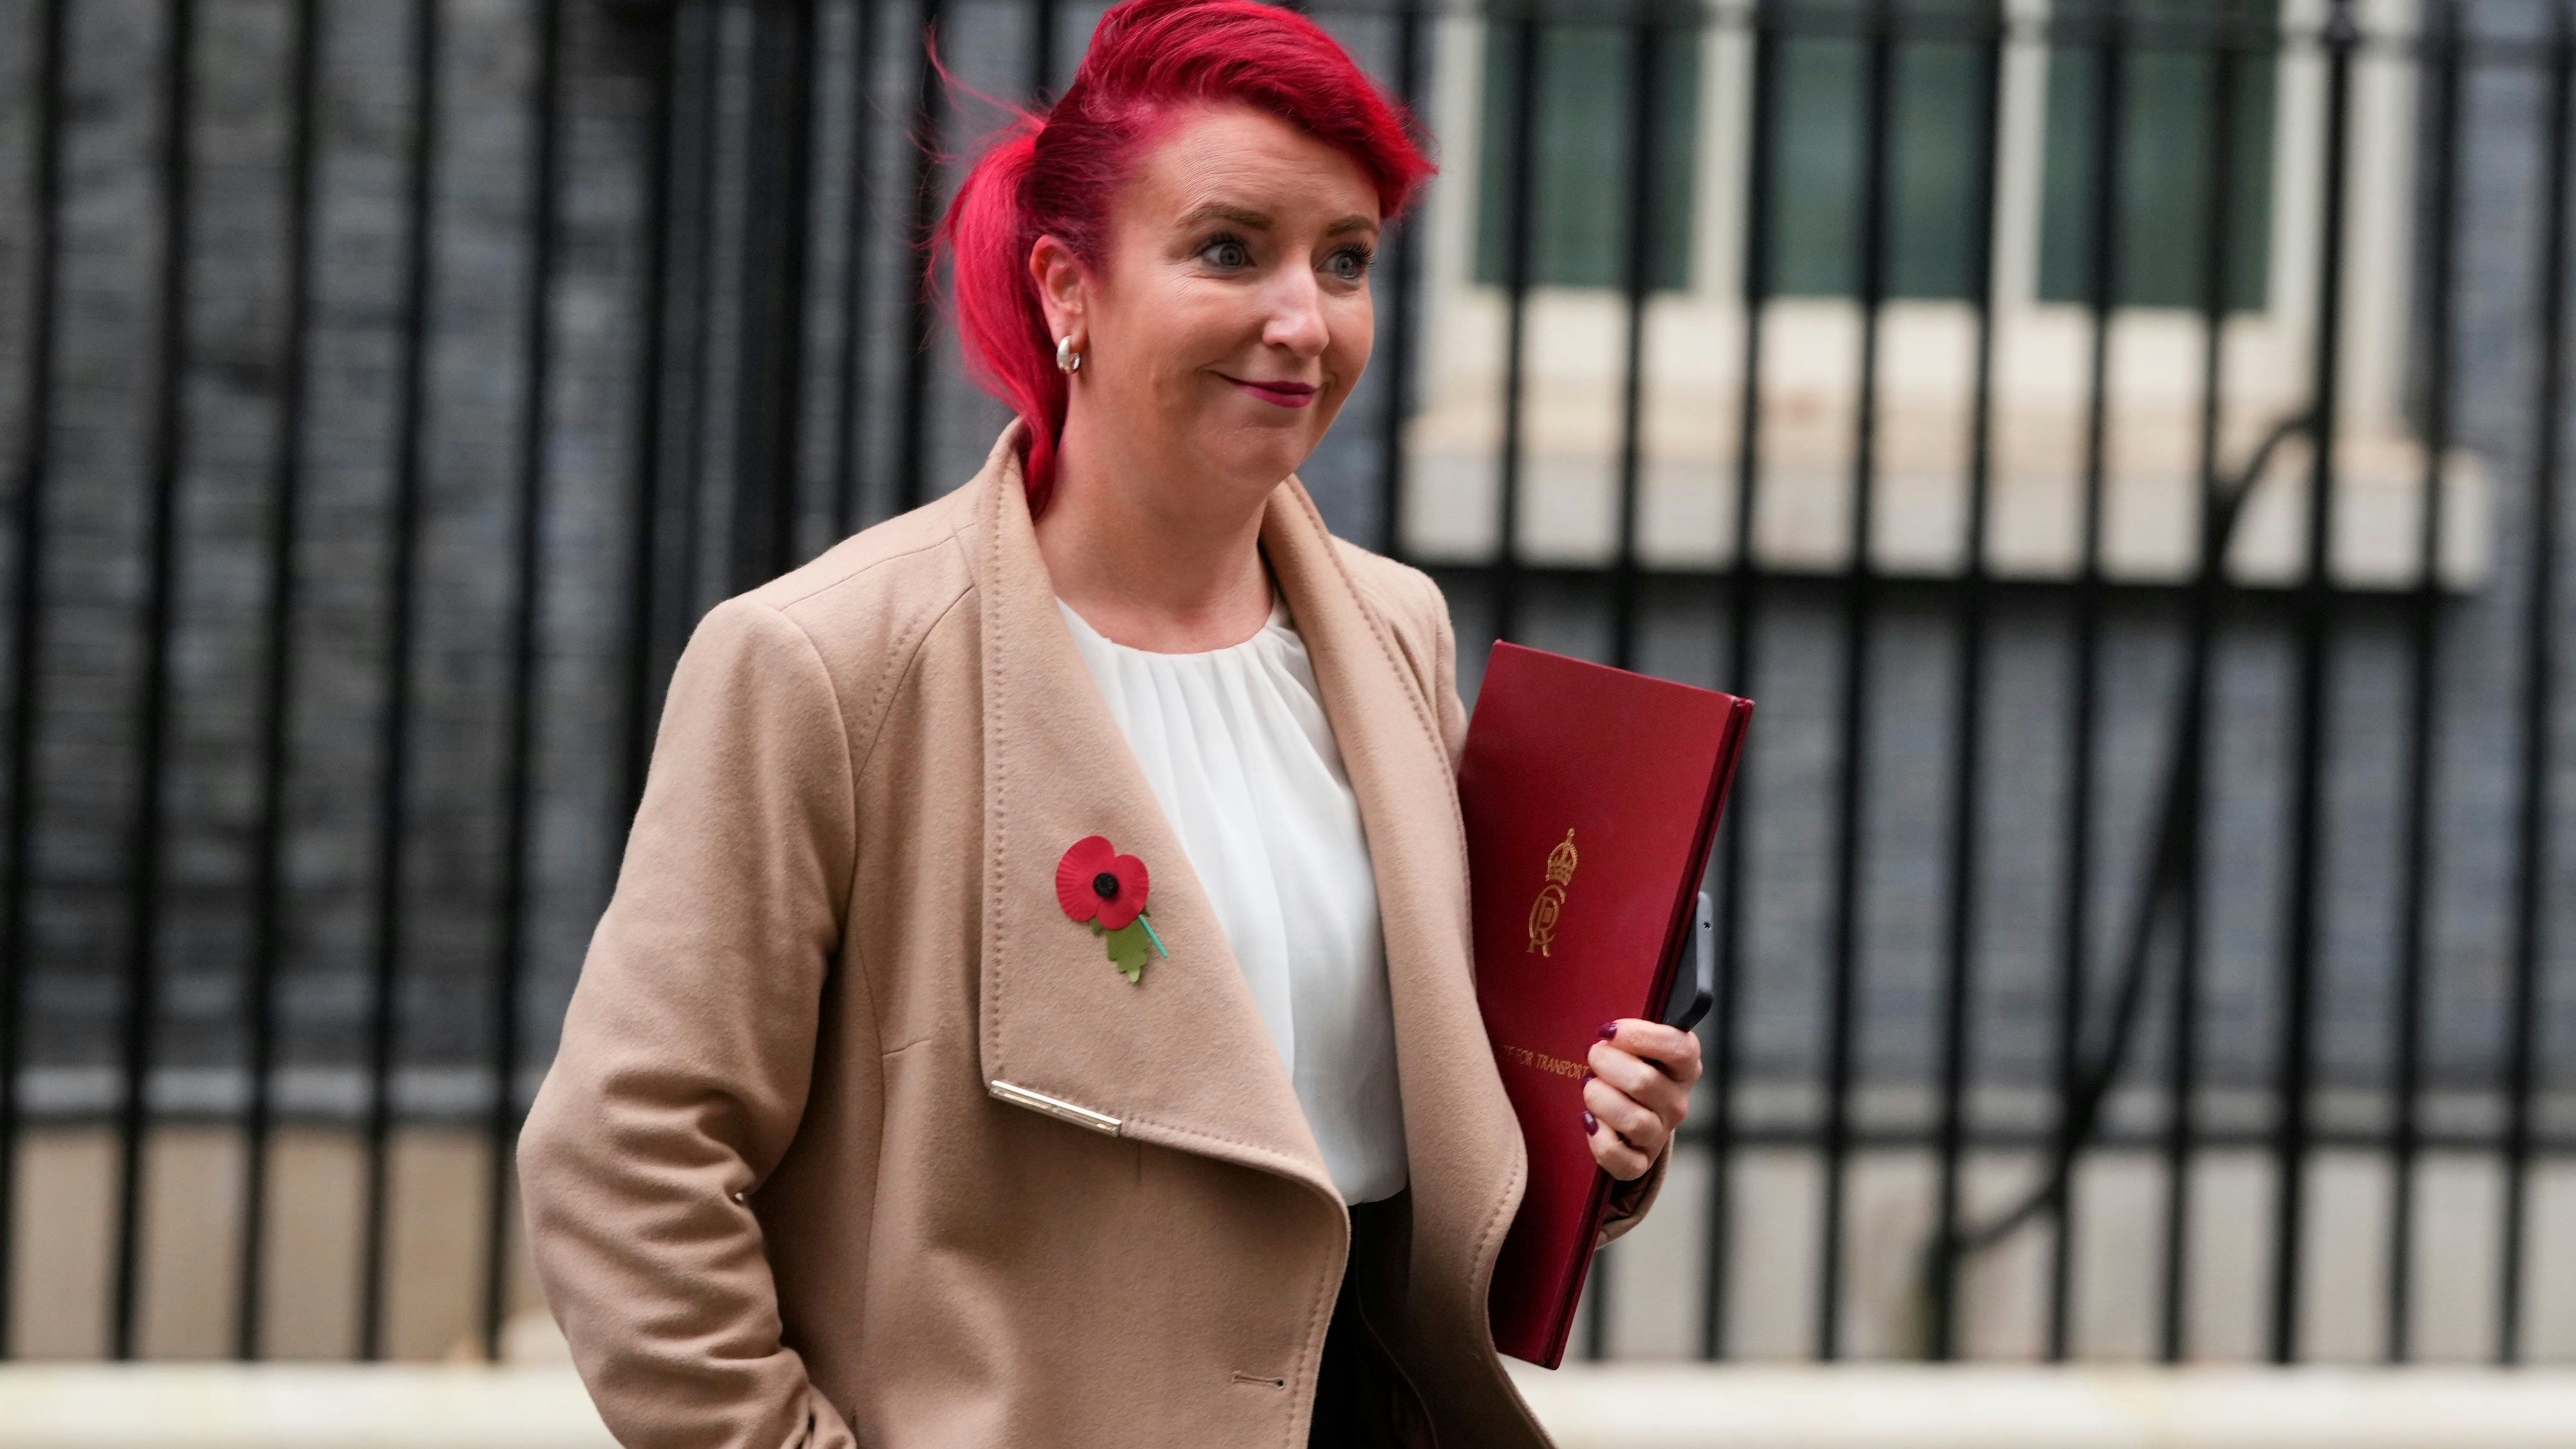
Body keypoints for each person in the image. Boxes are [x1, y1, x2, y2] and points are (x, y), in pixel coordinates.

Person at [515, 0, 1702, 1444]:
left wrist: (1602, 1128)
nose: (1304, 321)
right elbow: (623, 1165)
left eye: (1345, 260)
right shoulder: (825, 663)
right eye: (1229, 250)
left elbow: (1424, 1116)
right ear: (1066, 290)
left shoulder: (1393, 631)